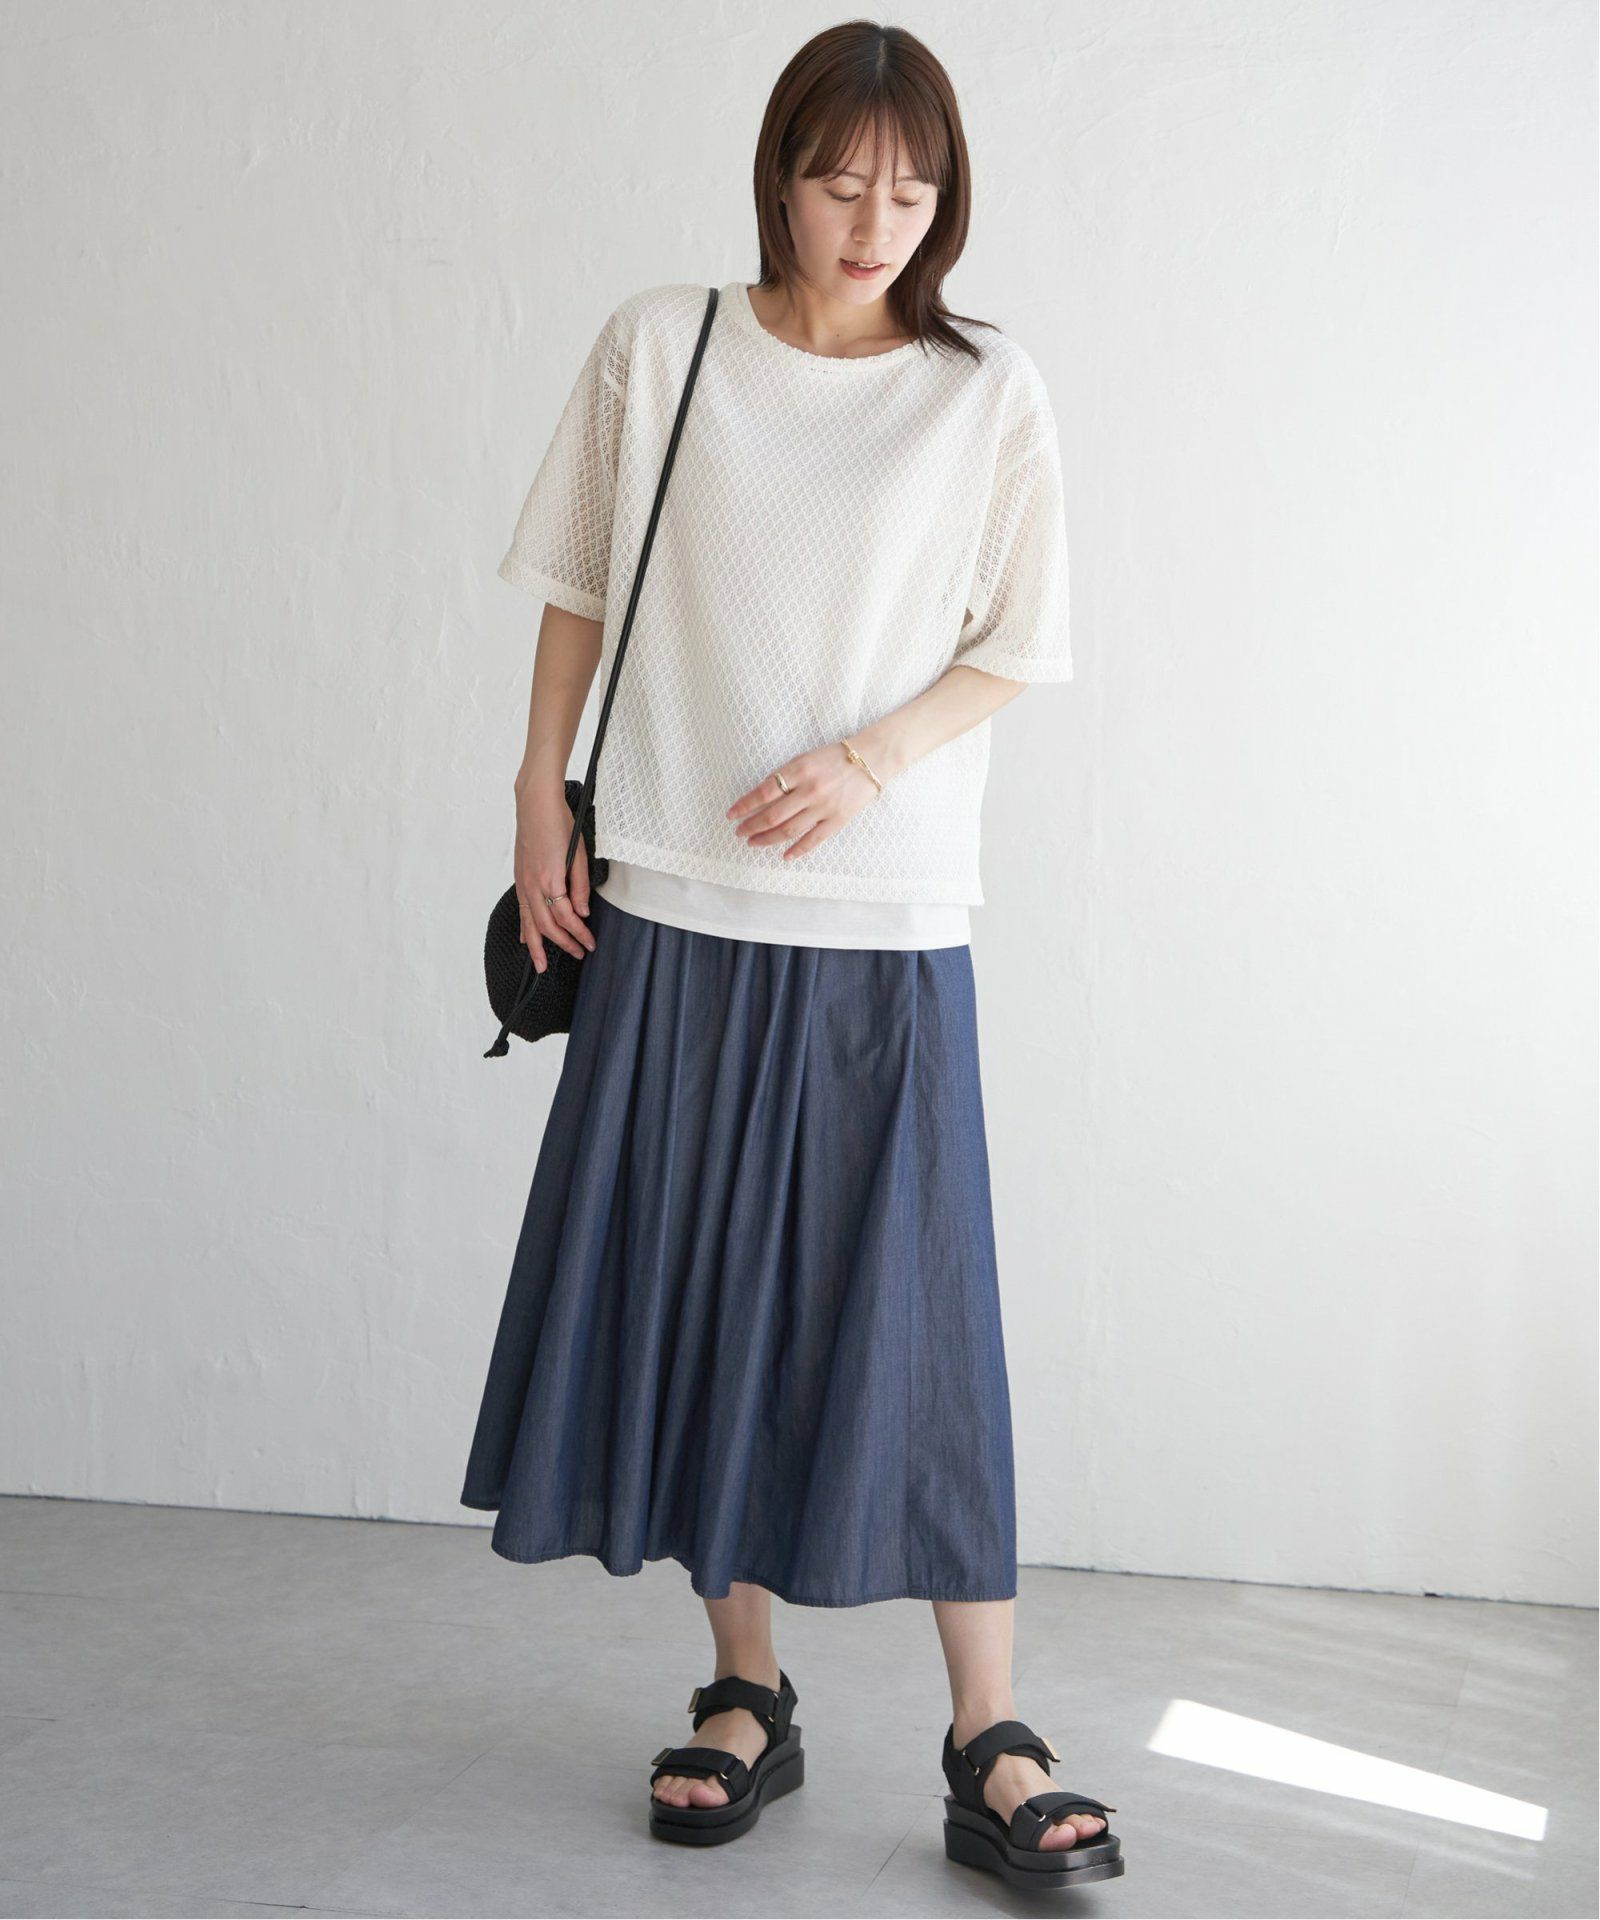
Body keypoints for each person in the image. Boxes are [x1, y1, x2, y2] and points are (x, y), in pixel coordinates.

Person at [461, 20, 1125, 1895]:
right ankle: (744, 1691)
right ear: (780, 176)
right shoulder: (663, 346)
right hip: (671, 895)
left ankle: (990, 1733)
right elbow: (581, 583)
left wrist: (870, 760)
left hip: (885, 919)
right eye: (842, 182)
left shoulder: (985, 392)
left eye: (911, 191)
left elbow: (1023, 641)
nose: (874, 221)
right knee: (705, 1303)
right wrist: (538, 794)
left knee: (922, 1322)